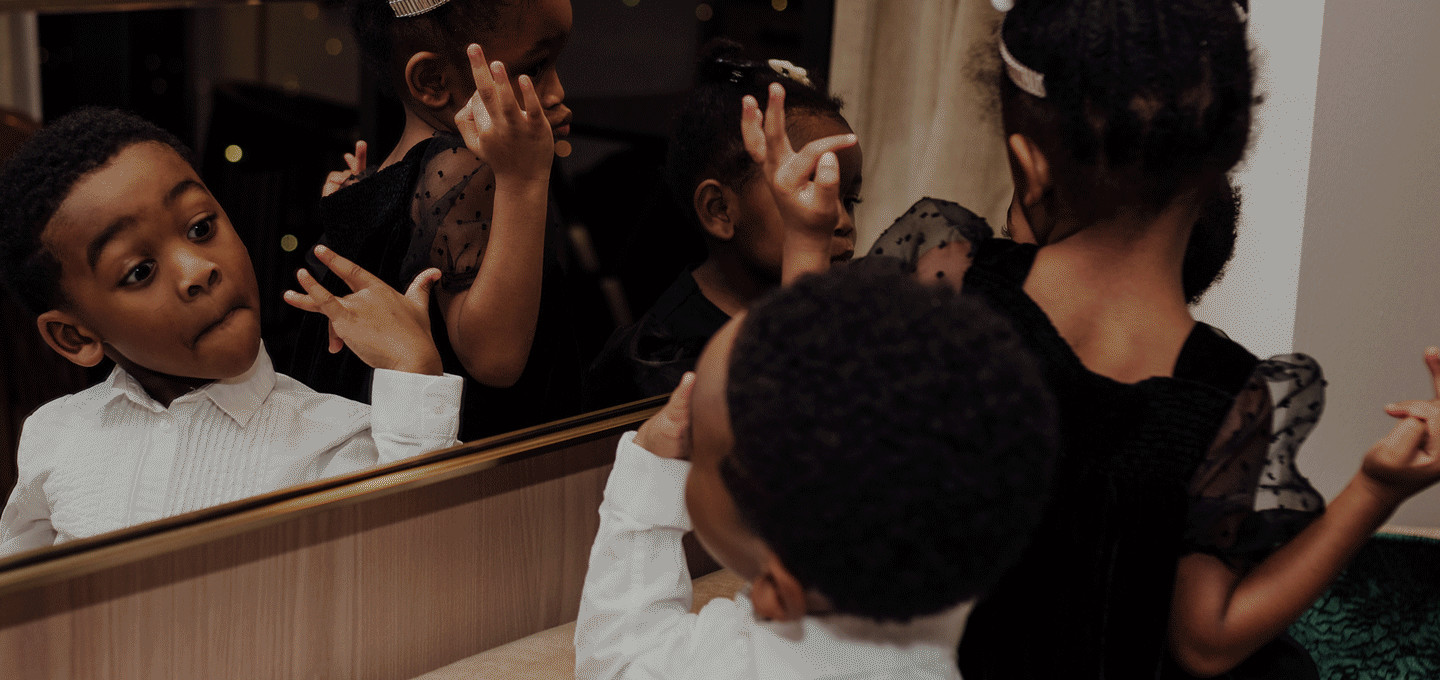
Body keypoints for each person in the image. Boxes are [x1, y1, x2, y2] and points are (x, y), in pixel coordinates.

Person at [740, 0, 1440, 676]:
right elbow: (1207, 642)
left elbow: (810, 444)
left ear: (1030, 166)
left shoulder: (956, 285)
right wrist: (1377, 488)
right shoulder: (1233, 392)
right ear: (1218, 168)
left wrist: (805, 239)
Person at [0, 108, 464, 555]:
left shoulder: (337, 441)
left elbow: (424, 567)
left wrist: (413, 369)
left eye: (200, 228)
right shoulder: (57, 434)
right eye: (140, 271)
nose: (198, 270)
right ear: (76, 337)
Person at [573, 261, 1057, 680]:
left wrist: (652, 462)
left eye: (698, 446)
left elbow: (616, 662)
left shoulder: (731, 664)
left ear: (778, 593)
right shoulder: (995, 616)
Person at [295, 0, 579, 440]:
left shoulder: (397, 172)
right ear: (433, 81)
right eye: (536, 68)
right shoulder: (466, 167)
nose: (558, 91)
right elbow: (495, 359)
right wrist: (523, 181)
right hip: (474, 451)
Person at [582, 40, 861, 409]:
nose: (840, 221)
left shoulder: (846, 316)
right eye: (807, 191)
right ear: (719, 210)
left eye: (849, 200)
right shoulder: (663, 363)